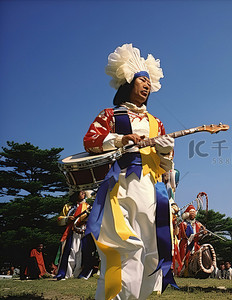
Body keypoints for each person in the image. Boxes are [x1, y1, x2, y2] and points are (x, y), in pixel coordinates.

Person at [84, 44, 176, 300]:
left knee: (151, 247)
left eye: (149, 81)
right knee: (124, 246)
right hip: (120, 186)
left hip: (151, 189)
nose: (146, 86)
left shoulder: (156, 122)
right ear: (128, 82)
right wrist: (120, 140)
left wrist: (166, 153)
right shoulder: (111, 115)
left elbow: (165, 167)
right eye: (141, 80)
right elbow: (90, 140)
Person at [55, 190, 92, 280]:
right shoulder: (68, 207)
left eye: (84, 192)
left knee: (82, 252)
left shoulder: (88, 207)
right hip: (71, 231)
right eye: (81, 192)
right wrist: (68, 219)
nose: (83, 193)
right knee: (70, 251)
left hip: (84, 231)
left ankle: (81, 273)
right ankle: (66, 273)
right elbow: (59, 219)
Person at [178, 205, 207, 275]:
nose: (192, 214)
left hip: (195, 243)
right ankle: (182, 272)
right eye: (191, 212)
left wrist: (203, 232)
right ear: (187, 214)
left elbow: (200, 235)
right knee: (183, 257)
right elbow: (181, 235)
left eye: (194, 212)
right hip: (185, 243)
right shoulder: (183, 224)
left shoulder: (198, 223)